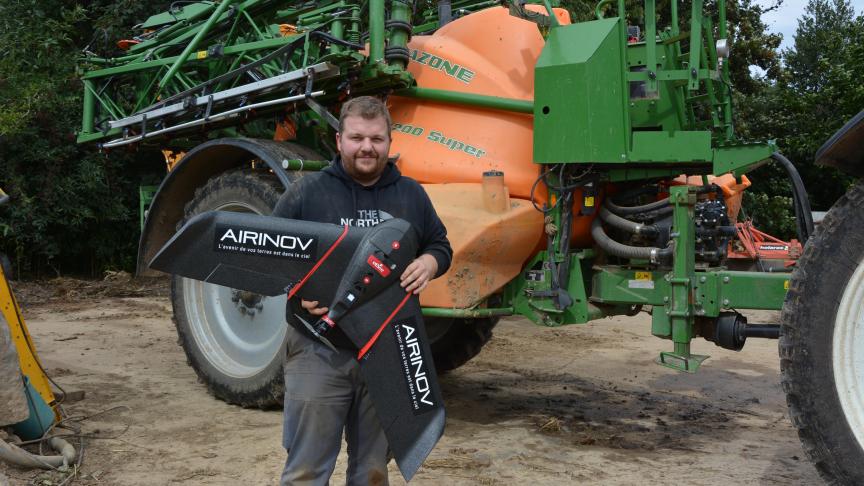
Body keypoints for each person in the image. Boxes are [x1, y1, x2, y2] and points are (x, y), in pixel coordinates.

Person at [272, 96, 452, 486]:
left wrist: (429, 263)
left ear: (390, 141)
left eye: (376, 138)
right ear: (339, 140)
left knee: (372, 471)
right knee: (306, 471)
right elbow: (272, 254)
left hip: (388, 351)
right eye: (356, 137)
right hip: (318, 349)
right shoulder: (308, 193)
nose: (367, 147)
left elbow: (440, 245)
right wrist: (295, 287)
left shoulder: (412, 195)